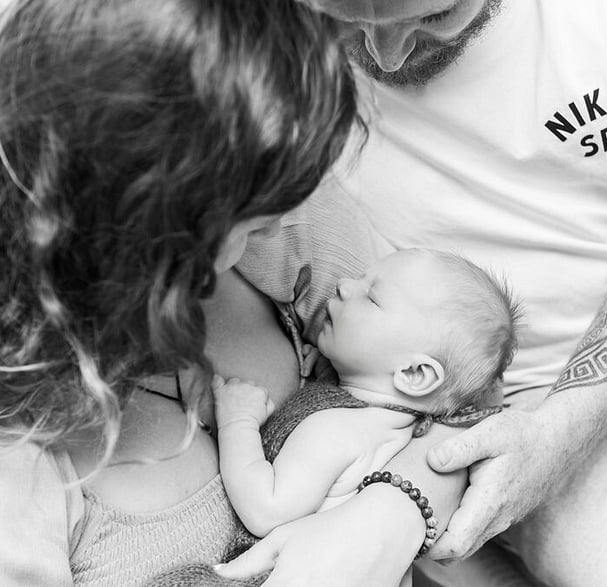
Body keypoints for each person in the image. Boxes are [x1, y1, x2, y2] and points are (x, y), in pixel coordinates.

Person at [219, 0, 607, 585]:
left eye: (435, 17)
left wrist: (569, 424)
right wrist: (531, 439)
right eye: (346, 19)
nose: (388, 55)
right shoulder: (221, 36)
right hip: (522, 399)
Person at [0, 0, 361, 584]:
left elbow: (448, 389)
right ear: (149, 232)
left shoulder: (285, 219)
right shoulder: (21, 457)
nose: (276, 223)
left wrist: (396, 508)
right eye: (247, 222)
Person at [212, 249, 521, 580]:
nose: (345, 286)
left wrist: (237, 421)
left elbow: (265, 509)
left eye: (372, 298)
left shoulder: (336, 430)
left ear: (415, 374)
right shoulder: (397, 429)